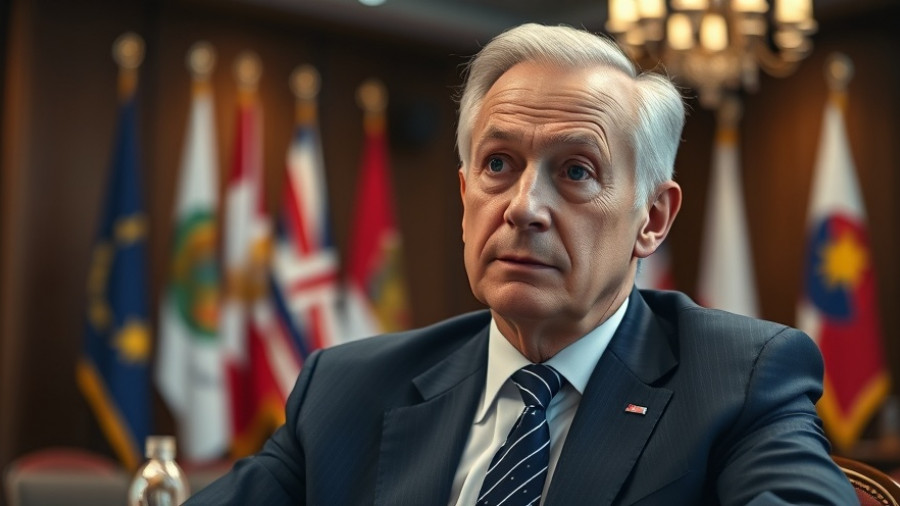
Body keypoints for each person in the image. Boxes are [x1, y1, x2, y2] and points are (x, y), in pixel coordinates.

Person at [187, 23, 857, 505]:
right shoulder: (348, 390)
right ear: (464, 195)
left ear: (651, 219)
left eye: (575, 171)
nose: (523, 207)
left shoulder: (737, 380)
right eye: (499, 165)